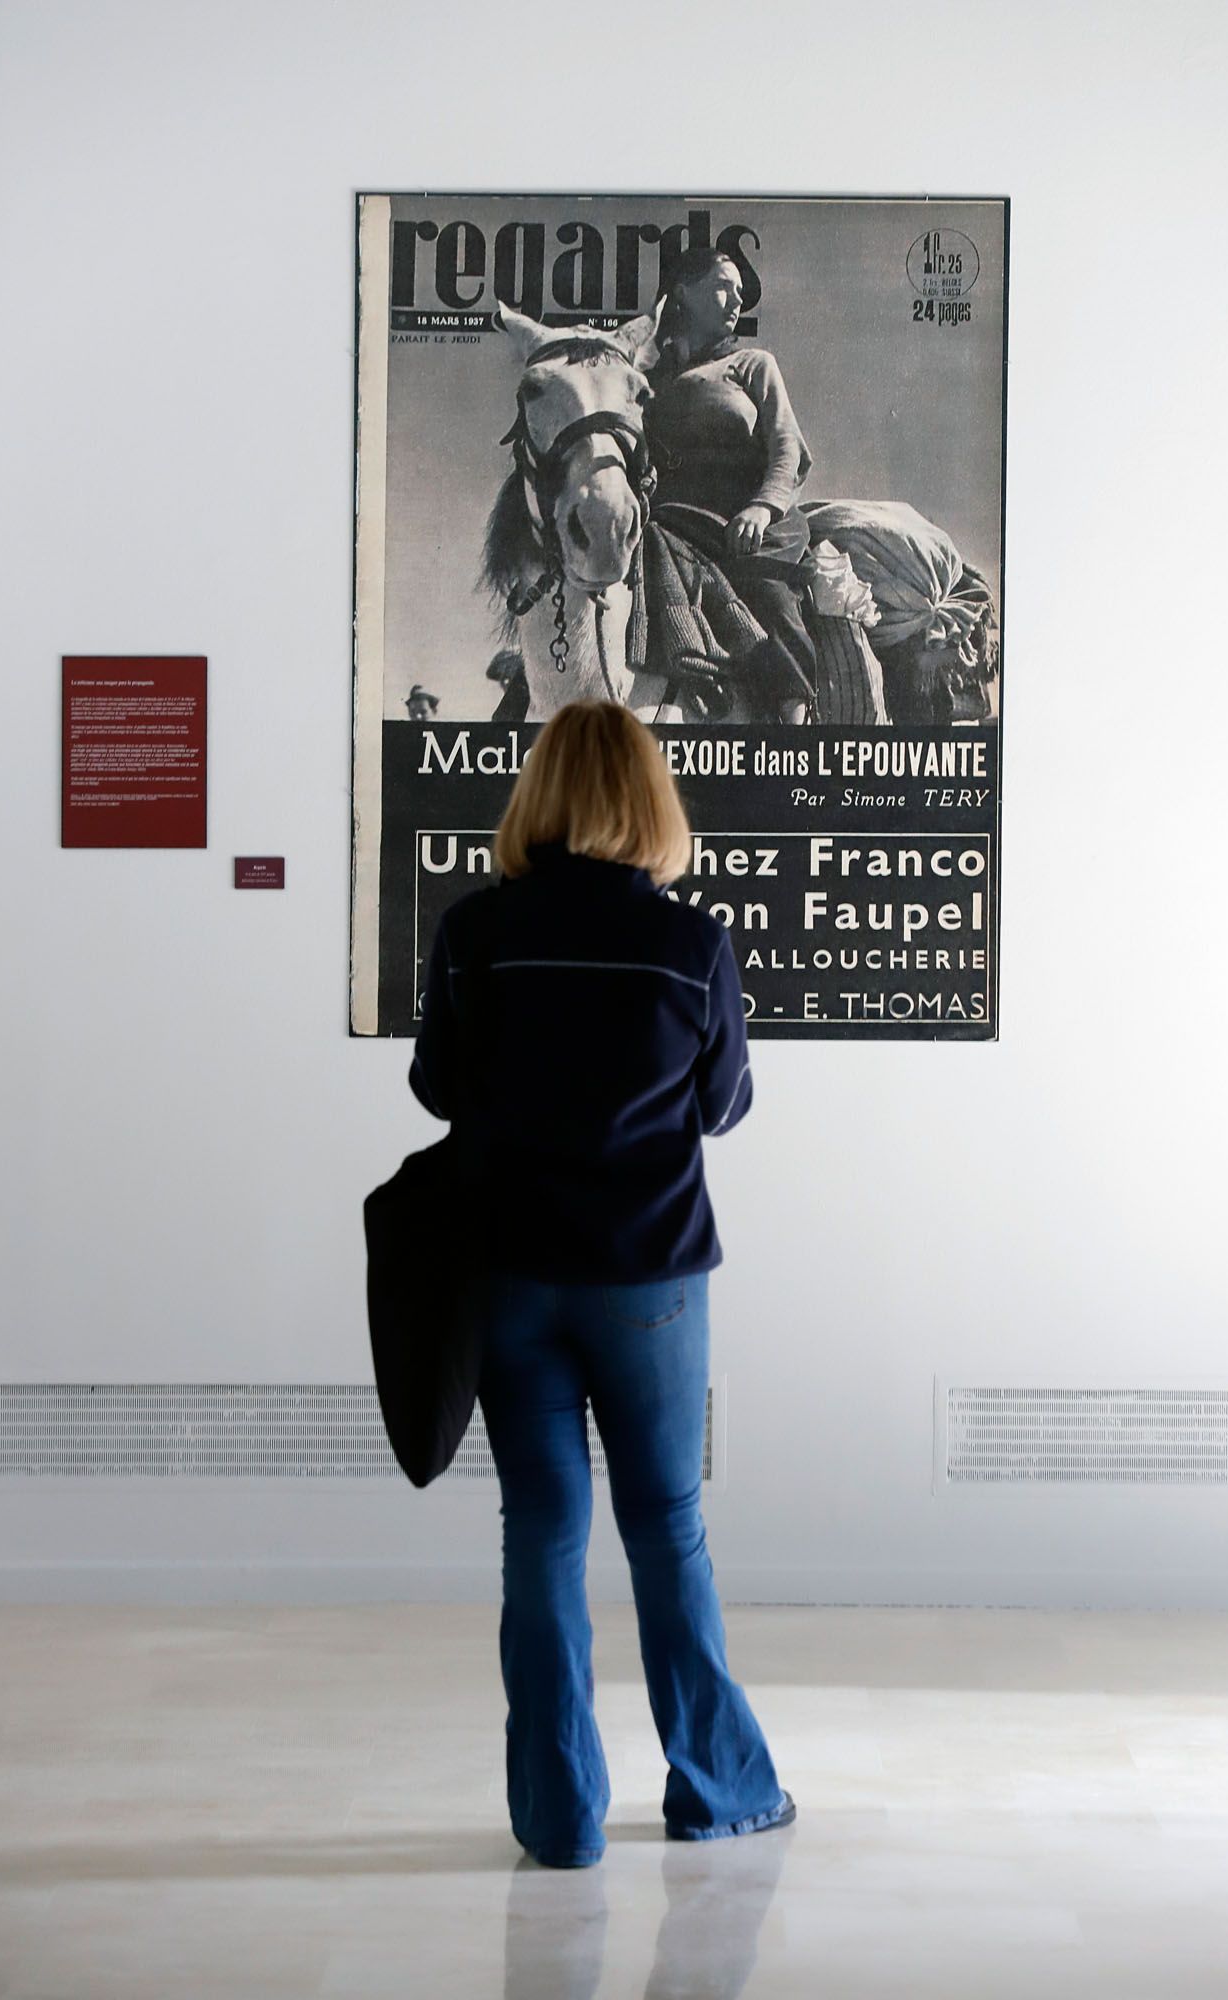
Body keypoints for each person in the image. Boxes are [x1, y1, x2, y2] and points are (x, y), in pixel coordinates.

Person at [409, 701, 794, 1869]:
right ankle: (717, 1787)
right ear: (647, 798)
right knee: (667, 1527)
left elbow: (435, 1088)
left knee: (540, 1529)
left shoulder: (475, 929)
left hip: (513, 1275)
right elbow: (724, 1104)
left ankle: (560, 1817)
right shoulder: (689, 942)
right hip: (651, 1277)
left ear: (539, 792)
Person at [644, 246, 818, 724]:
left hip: (746, 522)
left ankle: (793, 712)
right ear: (682, 291)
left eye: (741, 293)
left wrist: (763, 507)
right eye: (723, 286)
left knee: (767, 593)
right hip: (669, 524)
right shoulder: (646, 381)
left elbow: (788, 449)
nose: (737, 300)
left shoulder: (752, 363)